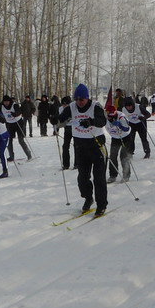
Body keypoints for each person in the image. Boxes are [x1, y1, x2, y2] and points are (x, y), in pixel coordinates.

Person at [58, 83, 108, 217]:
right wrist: (55, 120)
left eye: (82, 99)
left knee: (99, 178)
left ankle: (101, 205)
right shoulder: (72, 107)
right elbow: (61, 118)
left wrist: (91, 122)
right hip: (80, 146)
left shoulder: (95, 106)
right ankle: (88, 198)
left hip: (96, 145)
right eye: (77, 99)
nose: (79, 102)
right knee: (82, 179)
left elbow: (102, 120)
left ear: (87, 98)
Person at [104, 105, 132, 183]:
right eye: (108, 116)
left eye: (111, 116)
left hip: (125, 137)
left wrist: (120, 125)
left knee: (123, 156)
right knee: (112, 156)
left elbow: (127, 129)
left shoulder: (121, 117)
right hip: (115, 138)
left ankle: (126, 175)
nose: (109, 118)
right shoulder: (105, 117)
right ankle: (113, 175)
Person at [0, 95, 32, 161]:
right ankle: (11, 156)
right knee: (9, 140)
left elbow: (19, 111)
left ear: (9, 101)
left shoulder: (14, 105)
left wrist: (15, 114)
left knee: (21, 140)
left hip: (18, 123)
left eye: (7, 101)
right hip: (9, 124)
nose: (6, 103)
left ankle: (29, 154)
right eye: (4, 102)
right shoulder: (1, 106)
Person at [59, 96, 74, 170]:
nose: (64, 106)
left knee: (77, 146)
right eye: (63, 104)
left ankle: (77, 163)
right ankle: (66, 164)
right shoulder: (61, 109)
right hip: (67, 128)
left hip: (75, 127)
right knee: (65, 146)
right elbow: (60, 120)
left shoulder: (73, 108)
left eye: (66, 104)